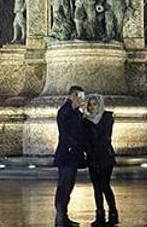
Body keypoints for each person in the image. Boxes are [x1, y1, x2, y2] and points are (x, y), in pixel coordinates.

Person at [53, 86, 86, 227]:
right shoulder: (66, 110)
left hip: (72, 155)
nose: (82, 99)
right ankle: (61, 218)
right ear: (73, 96)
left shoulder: (76, 112)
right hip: (67, 154)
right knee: (64, 185)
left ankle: (63, 216)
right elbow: (65, 126)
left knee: (68, 186)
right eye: (80, 96)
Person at [83, 94, 118, 226]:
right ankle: (99, 213)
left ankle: (113, 212)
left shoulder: (107, 118)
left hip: (105, 156)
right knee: (96, 187)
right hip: (93, 157)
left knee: (105, 185)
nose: (92, 107)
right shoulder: (85, 120)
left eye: (94, 104)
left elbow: (105, 136)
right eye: (90, 104)